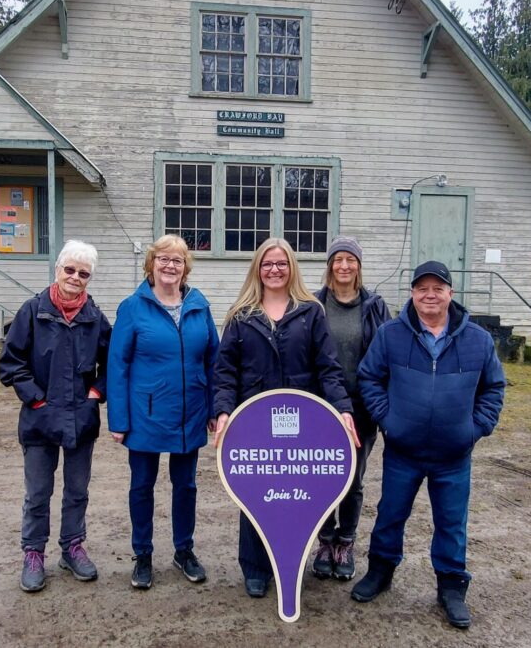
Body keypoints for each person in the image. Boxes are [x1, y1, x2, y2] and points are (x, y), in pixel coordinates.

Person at [352, 260, 506, 629]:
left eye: (438, 288)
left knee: (452, 523)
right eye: (422, 288)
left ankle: (451, 587)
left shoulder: (478, 341)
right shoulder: (391, 335)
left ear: (451, 293)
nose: (430, 295)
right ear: (412, 294)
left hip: (454, 456)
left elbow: (494, 388)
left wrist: (475, 428)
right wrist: (389, 420)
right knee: (390, 514)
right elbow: (369, 378)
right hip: (403, 452)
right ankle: (380, 571)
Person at [213, 237, 360, 599]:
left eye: (281, 264)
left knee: (295, 496)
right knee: (254, 495)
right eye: (267, 264)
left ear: (291, 268)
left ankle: (288, 562)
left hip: (301, 424)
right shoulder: (241, 315)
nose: (274, 270)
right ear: (257, 270)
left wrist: (342, 408)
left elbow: (328, 368)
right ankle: (255, 567)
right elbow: (225, 372)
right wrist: (223, 410)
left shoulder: (310, 312)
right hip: (253, 422)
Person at [0, 239, 110, 593]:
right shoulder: (32, 311)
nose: (75, 277)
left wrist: (96, 393)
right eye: (70, 269)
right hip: (39, 420)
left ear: (89, 278)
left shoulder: (95, 319)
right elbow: (11, 363)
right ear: (58, 268)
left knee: (77, 490)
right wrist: (36, 401)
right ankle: (33, 553)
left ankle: (72, 547)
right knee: (38, 493)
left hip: (81, 418)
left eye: (84, 273)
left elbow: (113, 365)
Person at [107, 234, 219, 590]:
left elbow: (214, 360)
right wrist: (119, 419)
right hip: (146, 413)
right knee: (142, 485)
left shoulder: (199, 305)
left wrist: (216, 407)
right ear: (151, 263)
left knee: (185, 485)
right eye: (163, 259)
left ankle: (183, 550)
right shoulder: (133, 307)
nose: (170, 266)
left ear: (186, 268)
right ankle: (142, 554)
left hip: (191, 412)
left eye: (178, 260)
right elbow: (118, 364)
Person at [311, 236, 391, 581]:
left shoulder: (374, 306)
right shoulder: (313, 304)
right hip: (321, 407)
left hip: (361, 408)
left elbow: (388, 355)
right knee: (321, 476)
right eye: (338, 259)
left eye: (350, 260)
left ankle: (346, 541)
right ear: (330, 265)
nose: (344, 266)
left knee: (352, 479)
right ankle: (325, 540)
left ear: (359, 265)